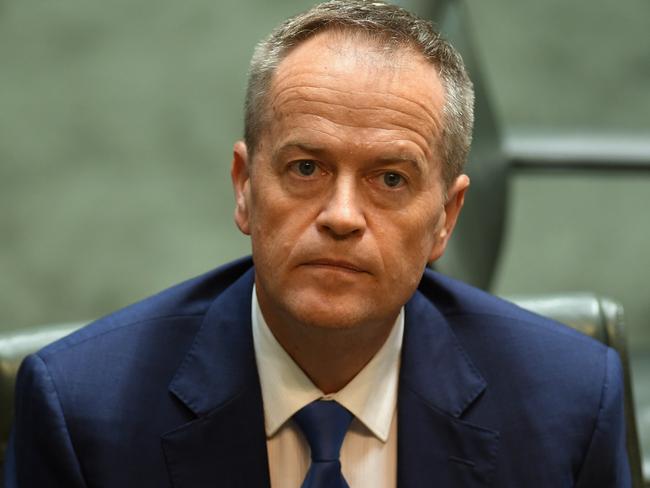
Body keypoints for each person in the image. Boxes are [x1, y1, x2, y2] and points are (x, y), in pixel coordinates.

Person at [5, 1, 630, 486]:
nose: (341, 216)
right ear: (245, 188)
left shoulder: (569, 404)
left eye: (390, 179)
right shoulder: (85, 413)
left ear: (445, 216)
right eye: (306, 168)